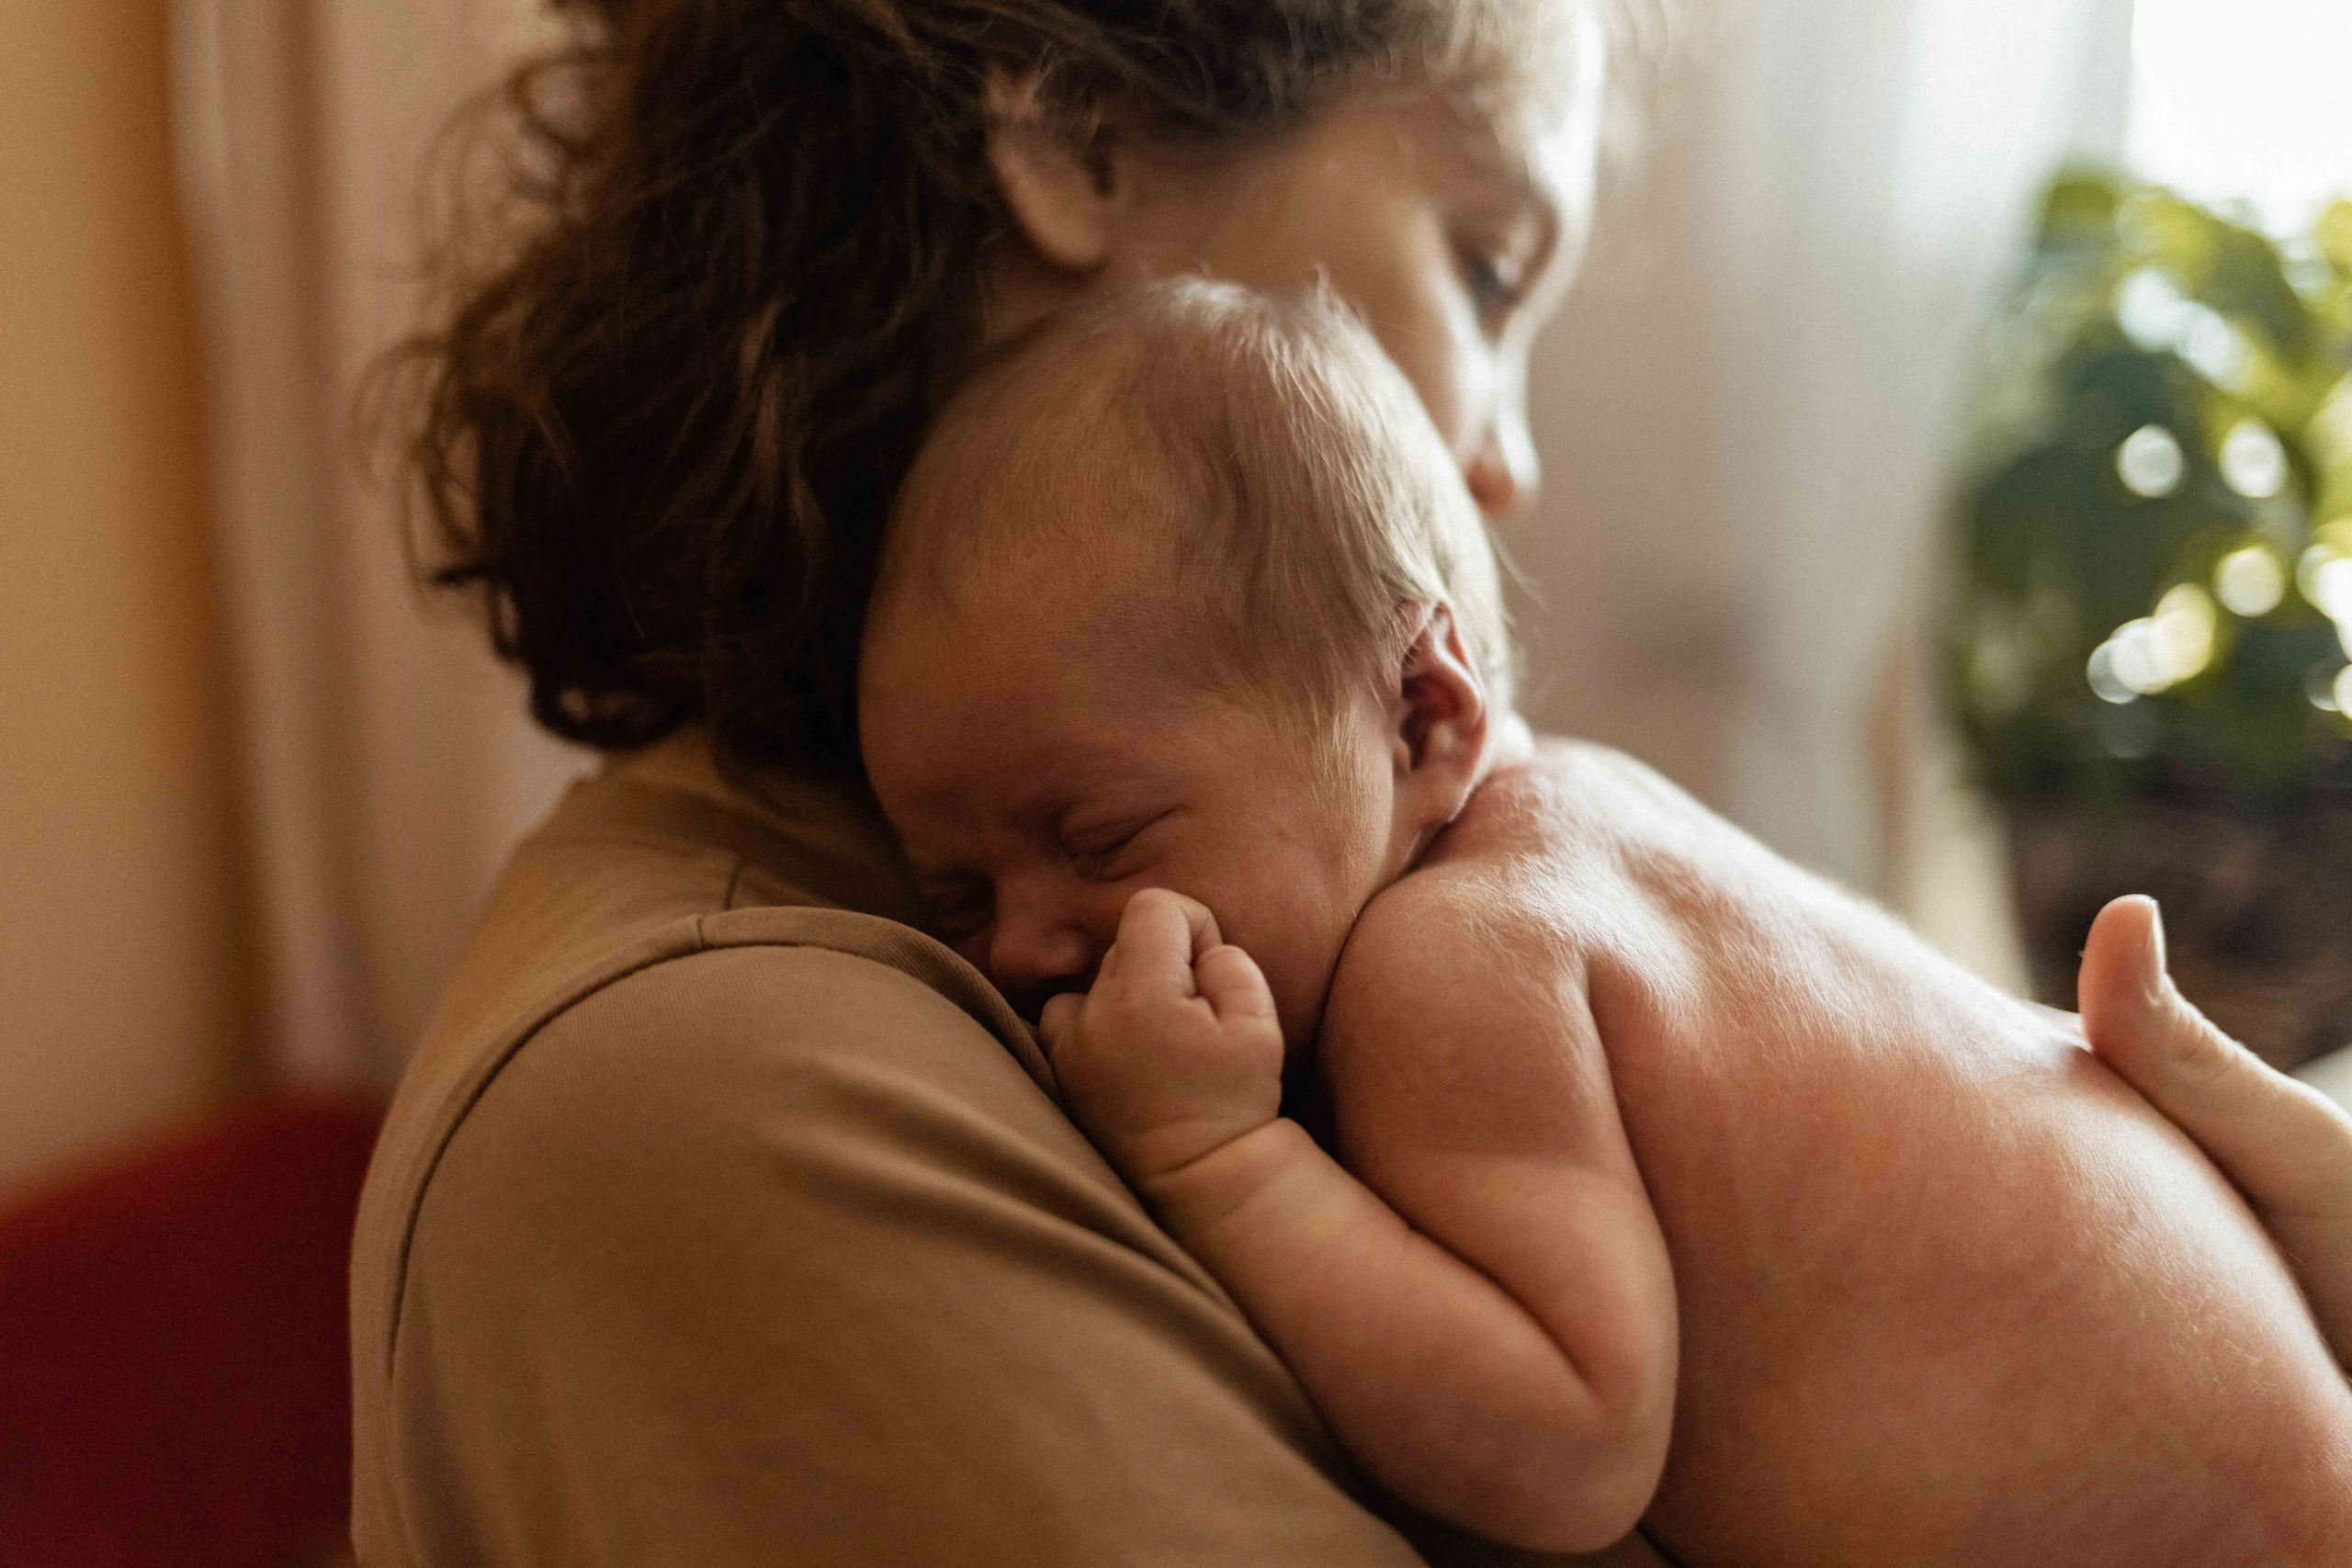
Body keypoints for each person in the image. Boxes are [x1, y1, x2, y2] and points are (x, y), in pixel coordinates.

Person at [349, 0, 2352, 1562]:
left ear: (1418, 711)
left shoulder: (1414, 899)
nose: (1506, 460)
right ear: (1074, 124)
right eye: (1484, 264)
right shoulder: (713, 1095)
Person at [856, 276, 2352, 1562]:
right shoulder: (1593, 816)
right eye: (959, 896)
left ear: (1422, 715)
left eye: (1100, 838)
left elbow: (1571, 1440)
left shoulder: (1452, 958)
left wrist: (1219, 1159)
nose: (1025, 946)